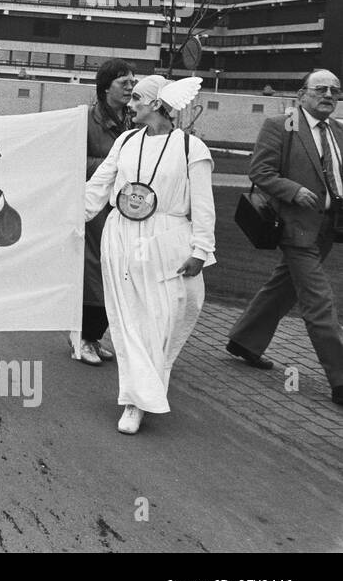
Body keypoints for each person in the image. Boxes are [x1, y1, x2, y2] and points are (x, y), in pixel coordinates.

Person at [84, 75, 213, 435]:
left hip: (166, 242)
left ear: (157, 104)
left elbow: (204, 207)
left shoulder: (192, 148)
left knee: (158, 322)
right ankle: (135, 401)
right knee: (128, 324)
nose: (130, 103)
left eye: (138, 98)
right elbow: (99, 187)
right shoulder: (126, 140)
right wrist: (66, 217)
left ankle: (145, 392)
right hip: (122, 238)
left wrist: (201, 250)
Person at [226, 69, 343, 407]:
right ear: (302, 94)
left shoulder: (337, 131)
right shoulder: (283, 125)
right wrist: (294, 190)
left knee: (283, 287)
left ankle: (244, 341)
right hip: (295, 228)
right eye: (320, 89)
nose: (329, 95)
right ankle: (340, 378)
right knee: (319, 302)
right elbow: (260, 172)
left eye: (335, 91)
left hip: (326, 229)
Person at [74, 59, 135, 366]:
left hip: (123, 208)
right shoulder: (86, 120)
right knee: (94, 271)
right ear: (105, 86)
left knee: (115, 271)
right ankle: (83, 337)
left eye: (132, 82)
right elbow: (71, 160)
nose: (130, 87)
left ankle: (94, 337)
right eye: (123, 82)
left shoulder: (135, 119)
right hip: (93, 210)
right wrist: (110, 167)